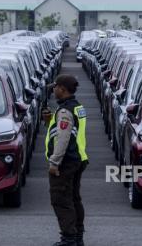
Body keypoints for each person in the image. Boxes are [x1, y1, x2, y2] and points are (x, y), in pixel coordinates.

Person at [43, 74, 89, 246]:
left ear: (62, 89)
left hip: (66, 162)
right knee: (74, 199)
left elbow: (63, 139)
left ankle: (69, 239)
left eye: (55, 87)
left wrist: (54, 162)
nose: (53, 90)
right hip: (79, 158)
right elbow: (67, 132)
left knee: (61, 200)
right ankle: (77, 238)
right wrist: (49, 123)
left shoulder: (64, 111)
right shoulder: (77, 107)